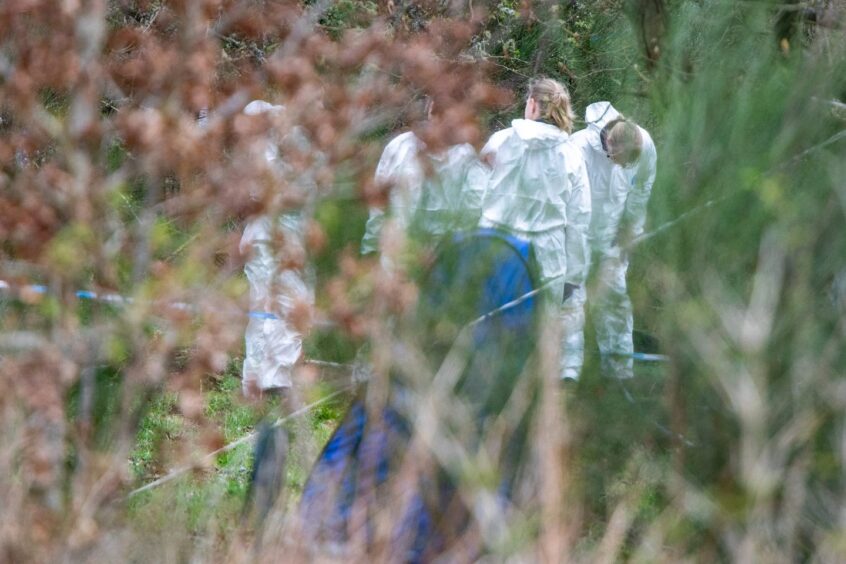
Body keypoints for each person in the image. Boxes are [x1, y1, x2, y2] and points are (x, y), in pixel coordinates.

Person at [478, 77, 591, 381]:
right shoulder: (571, 156)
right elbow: (579, 221)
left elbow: (474, 193)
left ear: (531, 104)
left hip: (496, 246)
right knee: (539, 333)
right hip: (547, 256)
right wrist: (574, 277)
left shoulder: (500, 142)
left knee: (491, 323)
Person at [570, 101, 657, 379]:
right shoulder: (577, 148)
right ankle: (567, 375)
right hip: (576, 239)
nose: (618, 166)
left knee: (616, 305)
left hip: (611, 241)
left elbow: (641, 191)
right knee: (569, 304)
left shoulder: (645, 147)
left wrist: (629, 234)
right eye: (616, 161)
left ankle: (619, 376)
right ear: (610, 145)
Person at [240, 99, 315, 398]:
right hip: (265, 240)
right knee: (263, 308)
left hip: (289, 240)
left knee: (294, 303)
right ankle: (257, 380)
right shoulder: (258, 156)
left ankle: (281, 377)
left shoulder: (288, 152)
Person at [360, 100, 488, 262]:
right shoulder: (465, 155)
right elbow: (475, 209)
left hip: (433, 254)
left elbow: (378, 206)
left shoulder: (400, 146)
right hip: (417, 251)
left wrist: (371, 246)